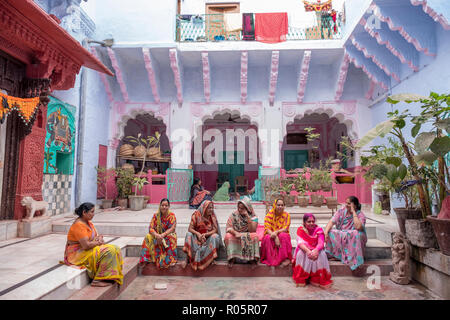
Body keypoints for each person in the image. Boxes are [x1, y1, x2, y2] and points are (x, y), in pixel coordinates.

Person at [62, 202, 123, 287]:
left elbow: (96, 236)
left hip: (86, 249)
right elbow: (86, 246)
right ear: (84, 212)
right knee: (109, 251)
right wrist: (98, 243)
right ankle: (97, 280)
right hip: (78, 253)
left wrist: (99, 239)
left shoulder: (88, 222)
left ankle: (109, 276)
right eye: (92, 212)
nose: (94, 214)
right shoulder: (79, 225)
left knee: (116, 248)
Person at [324, 196, 367, 271]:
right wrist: (325, 232)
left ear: (355, 205)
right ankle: (337, 256)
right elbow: (331, 222)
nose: (346, 205)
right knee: (330, 231)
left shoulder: (360, 215)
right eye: (346, 203)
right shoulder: (341, 211)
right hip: (343, 234)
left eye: (349, 203)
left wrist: (353, 211)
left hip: (353, 234)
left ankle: (354, 259)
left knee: (355, 234)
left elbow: (358, 227)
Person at [292, 213, 333, 288]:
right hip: (305, 249)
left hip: (315, 249)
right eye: (309, 221)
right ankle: (302, 277)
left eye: (313, 221)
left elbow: (321, 243)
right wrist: (308, 251)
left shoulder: (319, 229)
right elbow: (300, 243)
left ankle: (316, 278)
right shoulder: (301, 229)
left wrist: (316, 251)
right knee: (301, 253)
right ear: (304, 222)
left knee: (322, 254)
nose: (311, 223)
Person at [182, 200, 222, 270]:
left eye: (212, 208)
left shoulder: (212, 216)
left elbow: (215, 230)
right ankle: (187, 258)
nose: (211, 210)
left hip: (207, 240)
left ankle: (211, 259)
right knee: (188, 234)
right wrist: (198, 234)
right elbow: (190, 229)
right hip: (196, 239)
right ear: (204, 208)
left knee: (215, 236)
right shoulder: (196, 215)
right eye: (209, 208)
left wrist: (205, 234)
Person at [139, 198, 177, 268]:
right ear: (160, 206)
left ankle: (170, 259)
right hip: (157, 236)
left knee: (172, 236)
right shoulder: (156, 215)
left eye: (166, 205)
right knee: (148, 236)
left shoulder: (172, 216)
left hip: (166, 236)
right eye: (162, 205)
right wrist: (157, 235)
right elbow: (151, 228)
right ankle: (146, 259)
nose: (164, 207)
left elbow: (172, 228)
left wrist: (162, 235)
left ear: (169, 206)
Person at [224, 197, 260, 267]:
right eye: (239, 208)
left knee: (255, 236)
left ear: (247, 208)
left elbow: (252, 230)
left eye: (242, 208)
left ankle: (252, 259)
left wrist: (247, 217)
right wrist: (235, 233)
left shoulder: (253, 217)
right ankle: (232, 258)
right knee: (228, 236)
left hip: (247, 234)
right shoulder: (234, 215)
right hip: (236, 234)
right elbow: (228, 228)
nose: (240, 210)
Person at [260, 198, 292, 267]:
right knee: (267, 238)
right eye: (278, 205)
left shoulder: (287, 215)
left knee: (284, 236)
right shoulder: (269, 215)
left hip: (280, 232)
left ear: (284, 206)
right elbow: (267, 228)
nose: (280, 207)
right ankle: (271, 259)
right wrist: (275, 236)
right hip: (271, 233)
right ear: (275, 205)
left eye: (282, 205)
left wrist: (276, 233)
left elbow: (285, 228)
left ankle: (285, 258)